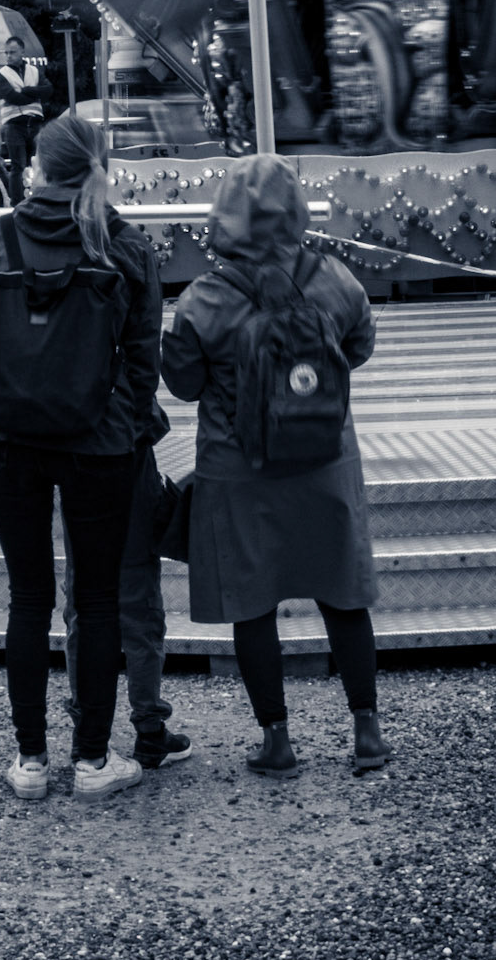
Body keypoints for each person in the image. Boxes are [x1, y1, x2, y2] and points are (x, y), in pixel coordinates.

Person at [160, 154, 389, 779]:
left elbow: (183, 383)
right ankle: (367, 733)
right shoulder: (334, 279)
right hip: (326, 461)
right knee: (343, 598)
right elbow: (359, 348)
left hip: (239, 471)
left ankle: (277, 742)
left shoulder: (204, 298)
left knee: (253, 604)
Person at [0, 112, 161, 800]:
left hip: (7, 440)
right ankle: (92, 761)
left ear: (40, 167)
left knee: (28, 597)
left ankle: (28, 760)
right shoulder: (122, 244)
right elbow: (144, 359)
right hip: (98, 441)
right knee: (98, 597)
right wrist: (122, 422)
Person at [60, 397, 191, 770]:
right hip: (129, 473)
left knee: (82, 611)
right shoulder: (124, 366)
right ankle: (149, 729)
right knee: (139, 613)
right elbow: (151, 418)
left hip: (78, 473)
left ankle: (86, 733)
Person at [0, 34, 50, 203]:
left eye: (12, 52)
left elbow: (48, 90)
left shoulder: (34, 71)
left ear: (22, 52)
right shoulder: (2, 75)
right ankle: (17, 204)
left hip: (34, 123)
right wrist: (34, 94)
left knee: (38, 164)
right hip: (14, 124)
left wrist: (26, 91)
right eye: (6, 53)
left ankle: (38, 201)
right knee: (18, 166)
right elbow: (11, 97)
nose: (8, 56)